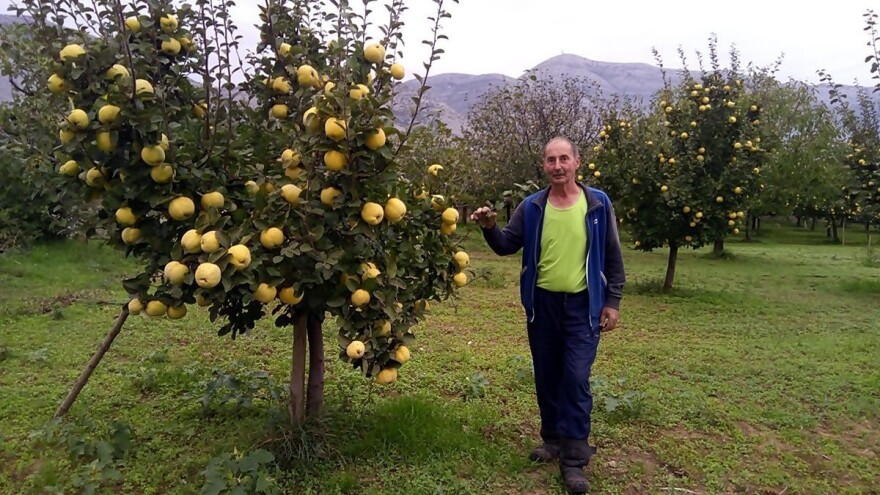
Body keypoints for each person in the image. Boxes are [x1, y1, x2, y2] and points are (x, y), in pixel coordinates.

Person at [470, 137, 625, 494]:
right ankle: (552, 439)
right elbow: (506, 245)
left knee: (575, 377)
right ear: (544, 165)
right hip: (543, 306)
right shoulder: (532, 206)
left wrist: (613, 301)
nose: (557, 166)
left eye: (564, 159)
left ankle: (574, 459)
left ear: (577, 162)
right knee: (547, 375)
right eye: (551, 160)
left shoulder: (597, 203)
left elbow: (612, 254)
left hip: (584, 306)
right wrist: (489, 227)